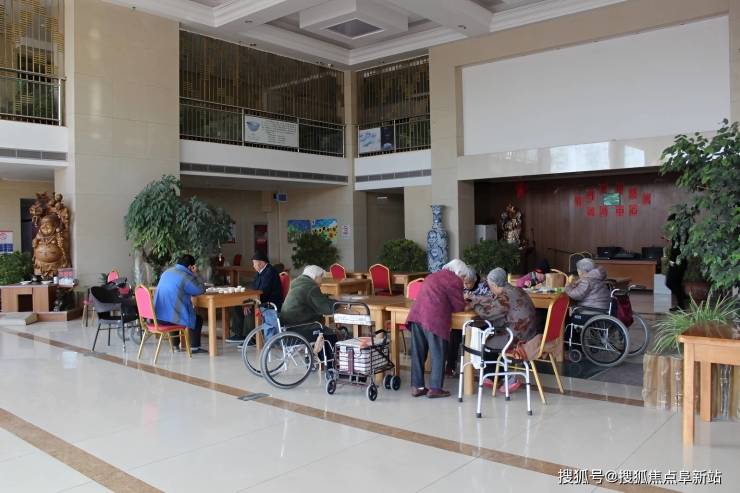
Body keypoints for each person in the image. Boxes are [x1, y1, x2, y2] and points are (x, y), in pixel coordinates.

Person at [470, 267, 538, 394]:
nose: (490, 289)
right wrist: (480, 300)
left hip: (517, 337)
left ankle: (506, 378)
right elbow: (498, 306)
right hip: (530, 333)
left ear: (495, 285)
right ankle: (493, 377)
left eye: (490, 286)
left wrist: (474, 304)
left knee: (486, 341)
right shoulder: (516, 290)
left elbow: (487, 314)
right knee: (491, 332)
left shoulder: (505, 296)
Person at [407, 259, 468, 398]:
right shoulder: (455, 280)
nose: (463, 280)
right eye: (463, 276)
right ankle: (435, 389)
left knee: (418, 353)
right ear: (458, 272)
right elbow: (459, 306)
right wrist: (467, 303)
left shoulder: (432, 276)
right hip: (434, 319)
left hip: (417, 315)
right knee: (438, 353)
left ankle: (417, 387)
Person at [279, 265, 338, 365]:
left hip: (287, 325)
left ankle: (314, 359)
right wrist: (337, 303)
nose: (322, 282)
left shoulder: (297, 282)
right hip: (300, 327)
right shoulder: (311, 287)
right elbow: (326, 308)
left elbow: (310, 299)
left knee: (321, 327)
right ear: (315, 276)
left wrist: (324, 297)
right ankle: (330, 365)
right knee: (330, 334)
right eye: (321, 277)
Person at [154, 254, 206, 354]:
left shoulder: (166, 272)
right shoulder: (185, 276)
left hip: (158, 317)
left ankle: (175, 346)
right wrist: (197, 274)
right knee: (197, 319)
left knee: (174, 311)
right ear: (191, 267)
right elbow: (200, 290)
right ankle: (194, 348)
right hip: (170, 320)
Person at [227, 251, 283, 343]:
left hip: (269, 303)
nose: (253, 266)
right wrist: (247, 301)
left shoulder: (270, 272)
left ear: (261, 263)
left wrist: (250, 303)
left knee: (250, 309)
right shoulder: (260, 271)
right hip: (259, 299)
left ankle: (251, 338)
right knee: (237, 306)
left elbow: (263, 292)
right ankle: (239, 334)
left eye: (254, 263)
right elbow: (254, 287)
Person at [446, 265, 485, 376]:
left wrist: (474, 300)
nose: (465, 285)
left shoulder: (484, 286)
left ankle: (475, 367)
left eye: (468, 283)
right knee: (454, 333)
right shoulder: (460, 285)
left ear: (475, 279)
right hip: (463, 318)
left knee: (471, 332)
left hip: (479, 321)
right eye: (464, 282)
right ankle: (450, 366)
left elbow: (488, 302)